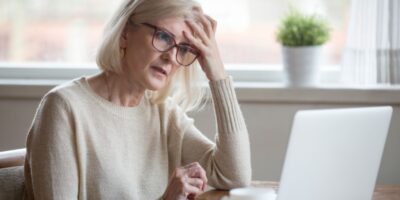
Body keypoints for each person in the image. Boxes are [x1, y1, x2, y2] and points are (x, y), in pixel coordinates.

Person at [23, 0, 252, 199]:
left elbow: (234, 175)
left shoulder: (164, 113)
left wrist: (217, 72)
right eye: (163, 37)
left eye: (182, 48)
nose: (171, 57)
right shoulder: (63, 108)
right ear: (124, 34)